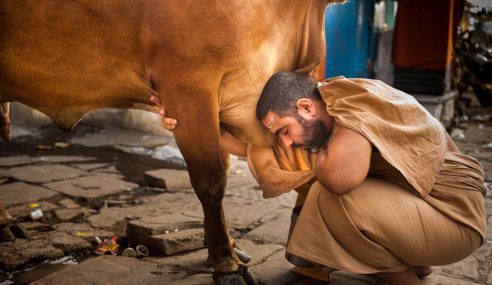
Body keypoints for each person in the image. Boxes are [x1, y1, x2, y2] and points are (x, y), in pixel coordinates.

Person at [151, 72, 486, 285]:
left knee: (331, 195)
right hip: (431, 219)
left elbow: (340, 178)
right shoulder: (330, 112)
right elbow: (250, 148)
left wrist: (311, 162)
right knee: (320, 179)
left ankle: (403, 280)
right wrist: (186, 121)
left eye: (284, 130)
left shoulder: (353, 109)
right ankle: (419, 264)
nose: (286, 141)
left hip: (455, 224)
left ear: (306, 107)